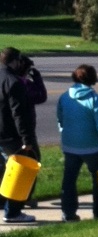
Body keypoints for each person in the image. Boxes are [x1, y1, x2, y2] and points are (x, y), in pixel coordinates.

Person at [57, 64, 98, 221]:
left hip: (70, 145)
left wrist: (66, 135)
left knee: (69, 180)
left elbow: (60, 120)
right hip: (92, 147)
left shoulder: (64, 97)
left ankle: (68, 213)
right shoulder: (96, 99)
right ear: (93, 78)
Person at [0, 47, 38, 223]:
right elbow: (19, 114)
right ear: (15, 61)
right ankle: (13, 211)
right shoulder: (14, 82)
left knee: (4, 169)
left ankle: (5, 203)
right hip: (11, 134)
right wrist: (27, 140)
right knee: (22, 169)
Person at [17, 55, 47, 207]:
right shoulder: (23, 84)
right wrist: (38, 79)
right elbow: (41, 97)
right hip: (24, 131)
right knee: (32, 162)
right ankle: (25, 196)